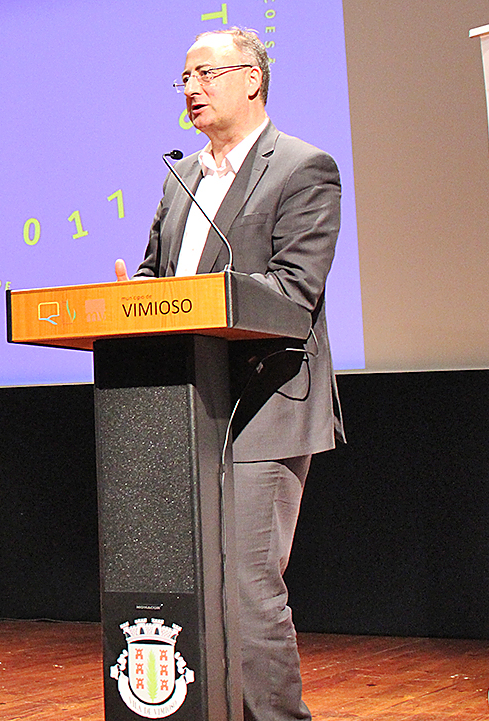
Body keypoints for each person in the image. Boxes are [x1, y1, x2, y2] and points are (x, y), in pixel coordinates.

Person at [115, 28, 344, 721]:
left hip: (265, 400)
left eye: (206, 73)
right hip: (179, 406)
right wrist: (135, 297)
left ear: (252, 79)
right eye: (184, 77)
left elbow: (294, 289)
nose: (192, 88)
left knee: (248, 585)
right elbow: (157, 276)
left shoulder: (303, 167)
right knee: (187, 584)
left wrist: (202, 295)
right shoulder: (180, 176)